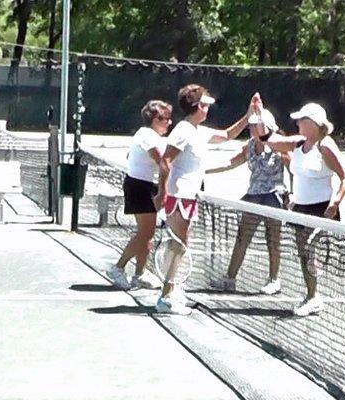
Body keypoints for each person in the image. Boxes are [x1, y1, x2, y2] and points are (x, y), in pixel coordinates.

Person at [152, 84, 255, 315]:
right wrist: (162, 193)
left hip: (189, 196)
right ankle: (165, 297)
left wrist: (249, 117)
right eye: (206, 104)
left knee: (179, 245)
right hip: (179, 195)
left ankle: (172, 289)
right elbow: (166, 161)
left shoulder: (199, 131)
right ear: (198, 106)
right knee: (178, 246)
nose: (208, 108)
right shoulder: (183, 130)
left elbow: (228, 135)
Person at [254, 100, 345, 316]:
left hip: (322, 209)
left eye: (301, 120)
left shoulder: (325, 146)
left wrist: (336, 202)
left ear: (314, 123)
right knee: (304, 254)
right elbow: (268, 139)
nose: (297, 123)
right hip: (300, 209)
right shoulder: (297, 143)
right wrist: (259, 115)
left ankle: (313, 297)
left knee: (307, 250)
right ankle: (312, 295)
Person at [206, 108, 290, 295]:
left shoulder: (278, 143)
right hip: (253, 196)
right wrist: (203, 170)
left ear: (267, 126)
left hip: (274, 196)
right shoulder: (250, 145)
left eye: (256, 125)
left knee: (273, 239)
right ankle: (230, 279)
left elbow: (292, 167)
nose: (253, 128)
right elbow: (230, 163)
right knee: (242, 238)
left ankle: (274, 279)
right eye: (251, 125)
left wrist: (292, 195)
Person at [106, 100, 173, 290]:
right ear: (154, 119)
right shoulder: (146, 134)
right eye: (164, 118)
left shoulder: (151, 136)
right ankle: (117, 268)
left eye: (169, 118)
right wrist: (163, 191)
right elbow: (163, 162)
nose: (169, 122)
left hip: (145, 185)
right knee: (145, 233)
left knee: (147, 234)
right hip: (138, 187)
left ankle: (140, 274)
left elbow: (131, 157)